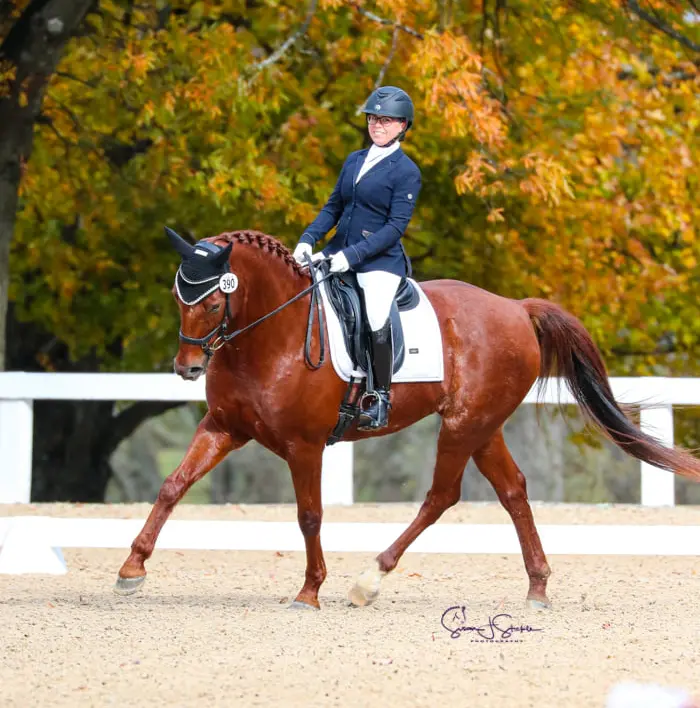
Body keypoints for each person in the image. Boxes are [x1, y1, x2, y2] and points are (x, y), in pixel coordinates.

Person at [293, 86, 422, 430]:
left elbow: (395, 228)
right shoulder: (354, 160)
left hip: (379, 262)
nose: (377, 125)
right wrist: (308, 238)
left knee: (376, 315)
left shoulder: (406, 171)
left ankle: (380, 395)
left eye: (385, 120)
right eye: (373, 118)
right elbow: (334, 207)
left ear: (402, 126)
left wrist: (352, 256)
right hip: (337, 253)